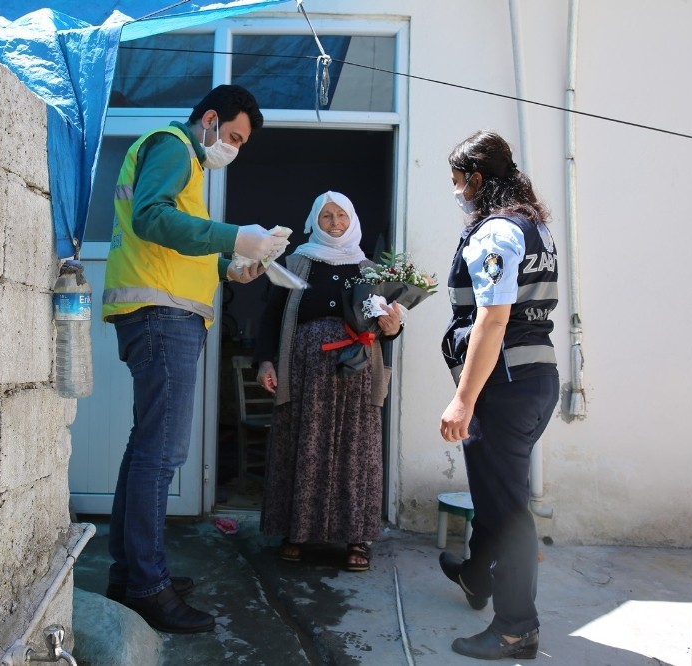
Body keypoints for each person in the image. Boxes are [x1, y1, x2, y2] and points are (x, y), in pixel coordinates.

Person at [101, 84, 288, 634]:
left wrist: (233, 265)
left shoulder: (187, 162)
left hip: (160, 312)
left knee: (147, 451)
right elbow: (151, 218)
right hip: (160, 317)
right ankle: (148, 587)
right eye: (232, 135)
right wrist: (233, 235)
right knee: (161, 455)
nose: (232, 147)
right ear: (210, 118)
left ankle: (127, 572)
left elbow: (172, 242)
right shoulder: (173, 147)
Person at [437, 130, 559, 660]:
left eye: (459, 180)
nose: (457, 190)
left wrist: (463, 399)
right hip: (536, 381)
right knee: (497, 492)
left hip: (503, 387)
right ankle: (473, 576)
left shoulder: (496, 234)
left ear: (479, 179)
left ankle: (516, 628)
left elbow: (492, 320)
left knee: (507, 509)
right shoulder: (535, 227)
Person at [253, 191, 403, 573]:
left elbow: (384, 326)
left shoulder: (370, 269)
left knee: (355, 449)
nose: (334, 223)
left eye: (340, 216)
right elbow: (270, 316)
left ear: (352, 220)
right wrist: (265, 361)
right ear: (313, 222)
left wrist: (393, 327)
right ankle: (297, 533)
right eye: (326, 217)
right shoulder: (296, 262)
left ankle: (356, 537)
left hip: (355, 372)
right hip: (303, 372)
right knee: (304, 445)